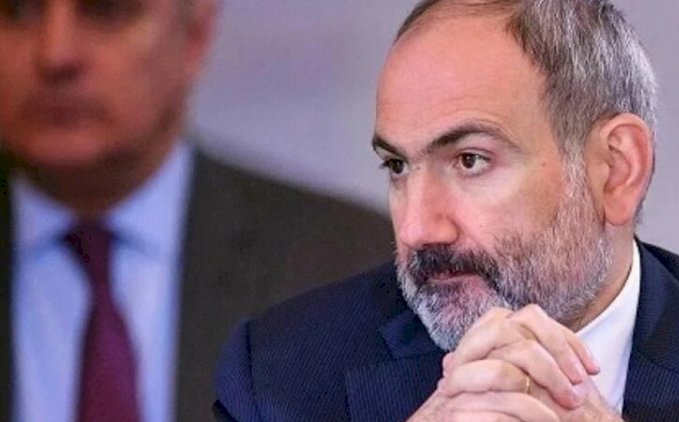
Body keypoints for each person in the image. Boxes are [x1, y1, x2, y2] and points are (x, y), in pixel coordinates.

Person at [213, 0, 679, 421]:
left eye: (470, 160)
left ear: (615, 170)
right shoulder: (283, 377)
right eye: (397, 166)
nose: (419, 229)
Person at [0, 0, 394, 420]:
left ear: (195, 34)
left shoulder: (349, 264)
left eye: (108, 12)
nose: (56, 54)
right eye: (18, 12)